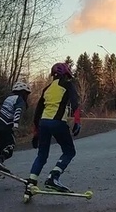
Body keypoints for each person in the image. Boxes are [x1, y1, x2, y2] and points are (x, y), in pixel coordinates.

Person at [25, 61, 83, 194]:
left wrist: (35, 132)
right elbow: (75, 103)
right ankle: (53, 177)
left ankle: (30, 184)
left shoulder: (47, 89)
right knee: (69, 152)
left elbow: (38, 112)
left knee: (42, 155)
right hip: (57, 123)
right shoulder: (68, 85)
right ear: (66, 74)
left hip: (43, 123)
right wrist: (77, 121)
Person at [0, 80, 32, 184]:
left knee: (0, 147)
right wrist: (16, 124)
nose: (27, 97)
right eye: (27, 94)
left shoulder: (8, 98)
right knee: (10, 146)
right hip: (6, 125)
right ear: (23, 92)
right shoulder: (20, 99)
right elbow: (18, 111)